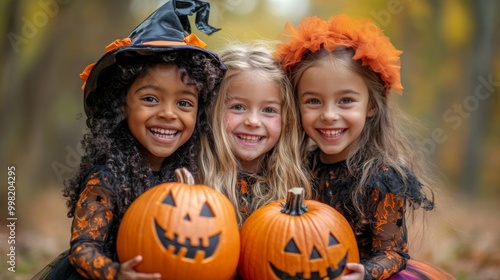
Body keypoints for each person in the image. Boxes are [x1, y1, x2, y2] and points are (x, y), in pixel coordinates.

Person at [33, 1, 225, 279]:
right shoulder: (107, 178)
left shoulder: (192, 171)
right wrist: (115, 273)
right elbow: (83, 249)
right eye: (150, 99)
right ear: (121, 106)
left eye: (184, 103)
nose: (168, 114)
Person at [275, 15, 454, 280]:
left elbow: (393, 253)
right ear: (296, 105)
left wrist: (366, 273)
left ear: (371, 105)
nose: (329, 115)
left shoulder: (381, 176)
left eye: (345, 100)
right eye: (313, 101)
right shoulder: (299, 166)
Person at [199, 42, 312, 226]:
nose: (253, 121)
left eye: (268, 110)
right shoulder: (194, 175)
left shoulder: (298, 180)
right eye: (238, 107)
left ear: (287, 119)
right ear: (213, 110)